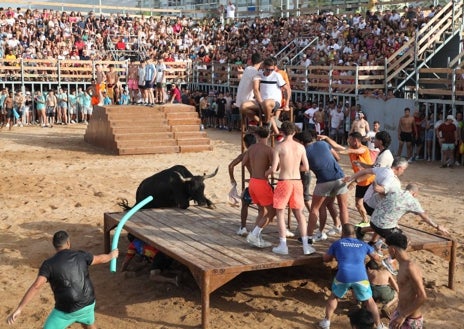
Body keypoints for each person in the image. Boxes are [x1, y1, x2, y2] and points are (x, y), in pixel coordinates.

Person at [6, 230, 119, 328]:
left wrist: (19, 308)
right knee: (88, 322)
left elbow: (37, 286)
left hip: (66, 311)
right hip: (88, 304)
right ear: (68, 243)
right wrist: (111, 255)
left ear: (54, 245)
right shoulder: (80, 255)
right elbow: (100, 259)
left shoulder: (48, 264)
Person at [319, 224, 384, 329]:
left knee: (334, 297)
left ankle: (327, 321)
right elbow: (376, 257)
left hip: (343, 275)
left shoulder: (337, 243)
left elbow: (326, 258)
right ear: (354, 233)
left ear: (342, 233)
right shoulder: (363, 244)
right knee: (369, 301)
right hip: (361, 276)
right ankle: (379, 325)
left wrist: (331, 255)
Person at [265, 121, 314, 255]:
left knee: (280, 213)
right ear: (294, 132)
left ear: (282, 132)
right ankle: (306, 246)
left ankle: (283, 245)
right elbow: (306, 167)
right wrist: (295, 168)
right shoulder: (301, 147)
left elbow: (274, 169)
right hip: (297, 181)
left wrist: (266, 174)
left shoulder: (279, 147)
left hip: (284, 181)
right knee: (299, 213)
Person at [304, 132, 348, 243]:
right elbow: (337, 158)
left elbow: (304, 168)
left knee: (316, 208)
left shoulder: (304, 152)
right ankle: (345, 234)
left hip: (324, 181)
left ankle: (314, 235)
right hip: (340, 177)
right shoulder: (323, 143)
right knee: (342, 207)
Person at [242, 127, 275, 248]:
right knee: (272, 211)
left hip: (253, 182)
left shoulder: (251, 148)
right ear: (269, 135)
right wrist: (266, 172)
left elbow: (244, 162)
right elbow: (274, 166)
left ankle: (257, 236)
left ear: (257, 136)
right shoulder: (268, 149)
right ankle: (254, 234)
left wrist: (253, 171)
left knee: (262, 211)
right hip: (262, 182)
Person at [385, 232, 426, 329]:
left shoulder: (410, 267)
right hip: (400, 313)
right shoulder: (402, 264)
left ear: (392, 249)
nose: (388, 251)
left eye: (388, 248)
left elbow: (422, 296)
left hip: (409, 318)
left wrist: (403, 315)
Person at [228, 133, 257, 236]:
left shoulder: (246, 154)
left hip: (254, 183)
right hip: (264, 182)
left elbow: (231, 165)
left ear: (245, 144)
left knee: (245, 203)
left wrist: (232, 179)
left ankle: (243, 227)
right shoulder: (263, 152)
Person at [344, 132, 375, 225]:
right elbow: (339, 147)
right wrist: (327, 139)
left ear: (355, 140)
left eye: (349, 139)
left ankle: (377, 222)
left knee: (370, 205)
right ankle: (365, 221)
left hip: (370, 181)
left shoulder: (363, 149)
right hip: (361, 181)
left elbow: (369, 173)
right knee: (358, 203)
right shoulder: (352, 149)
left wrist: (354, 182)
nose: (348, 141)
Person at [237, 52, 262, 127]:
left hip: (239, 101)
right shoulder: (256, 73)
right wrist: (261, 102)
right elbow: (256, 89)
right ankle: (264, 123)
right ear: (261, 62)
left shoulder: (248, 69)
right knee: (267, 109)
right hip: (247, 101)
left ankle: (256, 121)